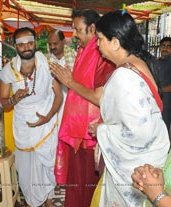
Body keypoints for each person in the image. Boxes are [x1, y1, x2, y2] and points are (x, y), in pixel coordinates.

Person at [51, 10, 170, 207]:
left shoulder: (124, 77)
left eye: (100, 39)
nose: (97, 45)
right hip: (148, 156)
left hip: (136, 166)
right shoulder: (137, 64)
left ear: (115, 42)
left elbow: (138, 131)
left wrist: (102, 130)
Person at [50, 9, 115, 207]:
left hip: (91, 137)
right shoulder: (83, 51)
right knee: (76, 188)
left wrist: (70, 82)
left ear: (92, 28)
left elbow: (99, 98)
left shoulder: (103, 56)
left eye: (78, 30)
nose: (74, 35)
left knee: (87, 190)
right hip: (78, 134)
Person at [0, 27, 62, 207]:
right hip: (23, 127)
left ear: (35, 43)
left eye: (29, 42)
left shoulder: (48, 65)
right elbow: (3, 102)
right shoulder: (8, 70)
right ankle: (30, 202)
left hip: (46, 125)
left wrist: (48, 117)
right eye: (21, 44)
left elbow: (59, 96)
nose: (26, 47)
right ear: (15, 46)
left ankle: (48, 200)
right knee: (26, 169)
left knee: (46, 166)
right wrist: (14, 98)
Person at [46, 29, 76, 126]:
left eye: (55, 43)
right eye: (50, 44)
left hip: (71, 105)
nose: (52, 47)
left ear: (63, 41)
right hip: (51, 106)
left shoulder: (75, 58)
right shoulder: (45, 61)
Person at [157, 37, 171, 135]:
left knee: (164, 130)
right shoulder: (157, 61)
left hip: (166, 102)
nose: (165, 48)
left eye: (169, 46)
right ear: (159, 47)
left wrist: (159, 90)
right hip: (156, 100)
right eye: (163, 46)